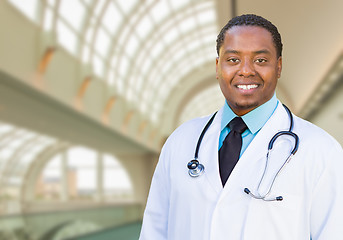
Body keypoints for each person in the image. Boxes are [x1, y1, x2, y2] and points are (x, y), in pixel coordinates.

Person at [139, 14, 343, 240]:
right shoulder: (180, 142)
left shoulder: (321, 152)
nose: (246, 71)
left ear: (279, 66)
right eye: (233, 60)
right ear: (218, 66)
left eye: (260, 60)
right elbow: (154, 232)